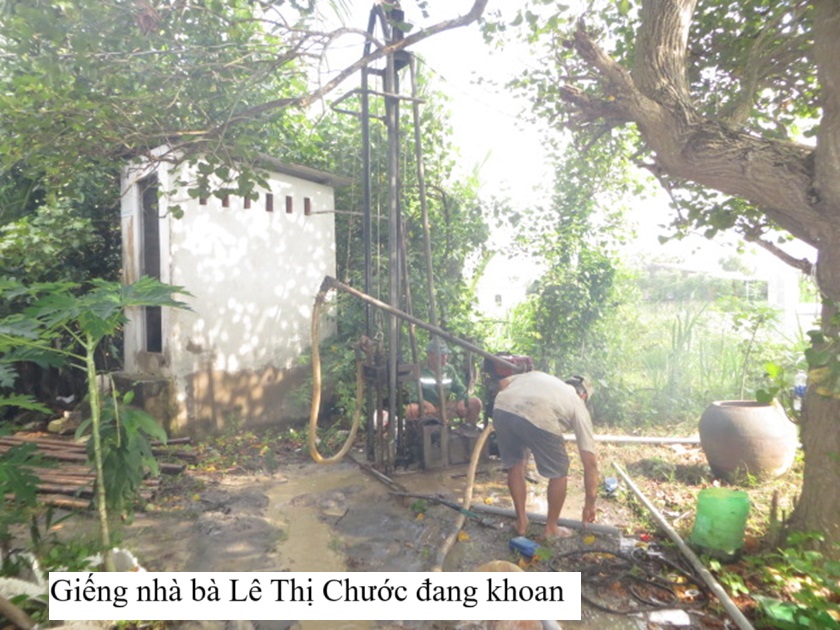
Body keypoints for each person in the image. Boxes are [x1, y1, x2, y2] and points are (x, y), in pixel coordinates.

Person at [492, 371, 599, 539]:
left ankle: (521, 522)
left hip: (502, 409)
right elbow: (590, 464)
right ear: (583, 395)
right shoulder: (577, 403)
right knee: (559, 472)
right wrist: (590, 504)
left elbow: (503, 383)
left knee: (515, 465)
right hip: (540, 413)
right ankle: (551, 528)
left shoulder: (541, 377)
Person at [405, 339, 483, 425]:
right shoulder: (419, 371)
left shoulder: (449, 370)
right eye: (440, 355)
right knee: (411, 409)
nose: (444, 357)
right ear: (429, 354)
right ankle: (418, 432)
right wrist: (426, 404)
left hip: (446, 407)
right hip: (426, 409)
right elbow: (413, 395)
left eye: (445, 354)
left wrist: (461, 400)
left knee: (475, 403)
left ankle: (468, 429)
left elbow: (461, 389)